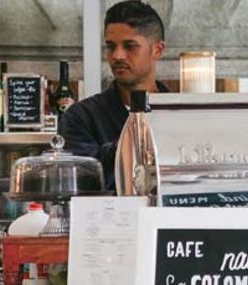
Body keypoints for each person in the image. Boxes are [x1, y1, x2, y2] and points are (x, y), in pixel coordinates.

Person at [59, 0, 168, 189]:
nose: (117, 56)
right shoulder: (80, 118)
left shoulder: (180, 115)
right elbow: (81, 183)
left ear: (157, 50)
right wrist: (137, 141)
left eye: (130, 46)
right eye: (110, 46)